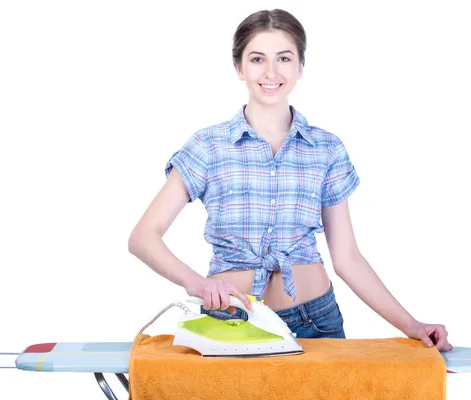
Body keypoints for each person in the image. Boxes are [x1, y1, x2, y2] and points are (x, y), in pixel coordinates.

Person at [128, 9, 453, 351]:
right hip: (231, 323)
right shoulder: (207, 146)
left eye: (284, 58)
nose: (271, 72)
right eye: (257, 59)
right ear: (239, 68)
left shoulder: (326, 148)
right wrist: (195, 283)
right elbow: (143, 237)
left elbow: (347, 258)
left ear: (299, 68)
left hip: (315, 321)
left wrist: (412, 325)